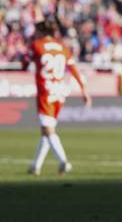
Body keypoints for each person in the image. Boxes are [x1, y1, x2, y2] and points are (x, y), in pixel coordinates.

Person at [22, 19, 91, 175]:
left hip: (46, 91)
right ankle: (35, 166)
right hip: (60, 92)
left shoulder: (36, 45)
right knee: (46, 131)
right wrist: (84, 90)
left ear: (41, 32)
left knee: (49, 130)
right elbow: (74, 69)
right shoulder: (63, 47)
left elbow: (24, 63)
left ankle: (63, 162)